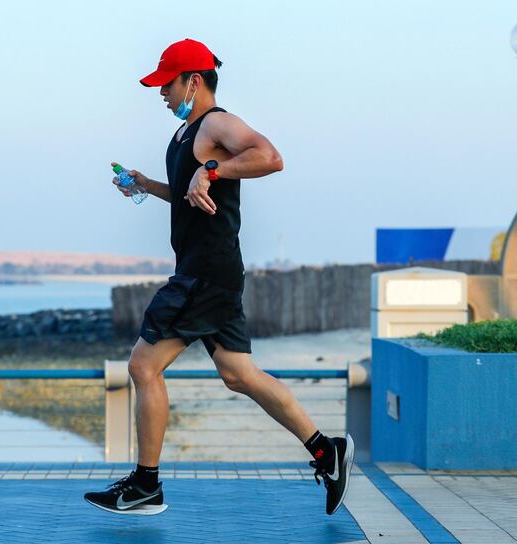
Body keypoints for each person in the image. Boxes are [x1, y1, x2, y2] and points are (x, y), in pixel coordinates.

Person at [84, 38, 354, 517]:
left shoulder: (215, 124)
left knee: (143, 367)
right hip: (215, 272)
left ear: (193, 80)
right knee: (238, 374)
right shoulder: (184, 135)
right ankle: (326, 450)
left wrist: (211, 168)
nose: (160, 94)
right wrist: (146, 185)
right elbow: (190, 195)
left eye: (165, 84)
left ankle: (146, 485)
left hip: (204, 274)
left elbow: (271, 157)